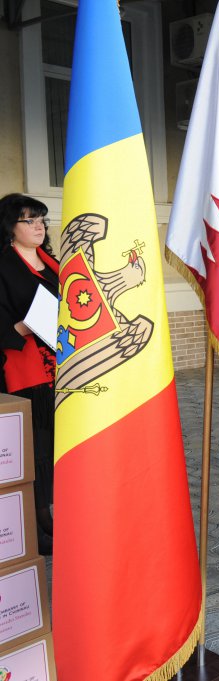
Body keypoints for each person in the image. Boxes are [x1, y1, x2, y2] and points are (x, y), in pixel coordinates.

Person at [0, 194, 57, 553]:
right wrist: (27, 325)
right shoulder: (3, 266)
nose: (39, 227)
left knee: (55, 444)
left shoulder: (52, 262)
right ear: (10, 227)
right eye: (30, 220)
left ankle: (52, 512)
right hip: (25, 369)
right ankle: (37, 524)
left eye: (42, 220)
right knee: (35, 448)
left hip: (61, 367)